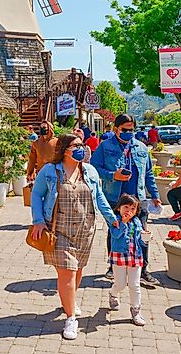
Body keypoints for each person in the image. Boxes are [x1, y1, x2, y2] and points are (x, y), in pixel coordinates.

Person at [29, 133, 116, 341]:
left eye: (82, 145)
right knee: (67, 272)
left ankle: (69, 300)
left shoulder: (90, 171)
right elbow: (36, 194)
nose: (81, 148)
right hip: (59, 230)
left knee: (78, 271)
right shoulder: (50, 171)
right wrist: (38, 220)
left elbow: (100, 197)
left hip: (86, 230)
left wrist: (113, 219)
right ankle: (70, 318)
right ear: (64, 149)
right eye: (76, 145)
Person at [90, 114, 160, 287]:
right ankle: (114, 267)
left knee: (142, 234)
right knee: (115, 232)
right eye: (125, 130)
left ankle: (143, 270)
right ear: (116, 129)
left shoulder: (142, 147)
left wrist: (155, 195)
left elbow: (149, 173)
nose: (129, 133)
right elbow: (94, 168)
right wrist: (112, 175)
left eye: (131, 129)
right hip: (115, 199)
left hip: (139, 199)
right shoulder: (105, 146)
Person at [106, 194, 150, 326]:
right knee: (120, 284)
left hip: (135, 256)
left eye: (133, 208)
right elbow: (115, 234)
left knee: (134, 285)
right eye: (126, 207)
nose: (129, 211)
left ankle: (136, 310)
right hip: (119, 255)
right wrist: (123, 223)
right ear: (119, 208)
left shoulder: (137, 222)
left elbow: (139, 238)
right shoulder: (115, 221)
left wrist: (145, 237)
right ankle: (113, 294)